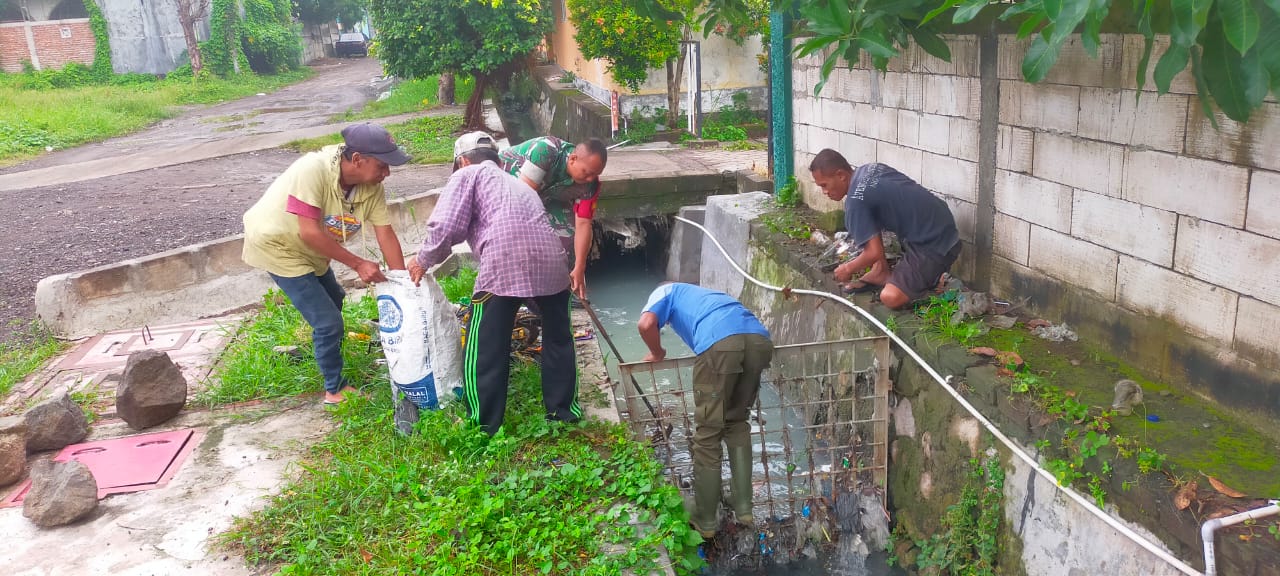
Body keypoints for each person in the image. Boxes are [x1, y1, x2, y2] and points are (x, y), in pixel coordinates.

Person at [409, 132, 582, 435]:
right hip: (553, 262)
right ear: (497, 159)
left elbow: (447, 226)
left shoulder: (467, 174)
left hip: (505, 263)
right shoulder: (517, 183)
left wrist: (422, 260)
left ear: (462, 160)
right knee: (559, 338)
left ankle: (484, 425)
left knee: (486, 345)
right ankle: (564, 412)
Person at [242, 122, 409, 405]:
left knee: (335, 298)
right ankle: (334, 389)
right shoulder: (313, 170)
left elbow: (386, 234)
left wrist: (404, 285)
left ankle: (320, 350)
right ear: (357, 159)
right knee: (329, 323)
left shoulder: (370, 187)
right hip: (279, 245)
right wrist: (358, 264)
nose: (387, 173)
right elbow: (309, 231)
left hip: (311, 250)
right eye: (382, 165)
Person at [637, 282, 774, 538]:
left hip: (721, 341)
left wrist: (657, 352)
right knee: (736, 421)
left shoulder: (665, 290)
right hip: (758, 340)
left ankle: (705, 519)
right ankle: (743, 507)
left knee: (708, 434)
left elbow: (646, 324)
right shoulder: (707, 295)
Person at [808, 148, 961, 310]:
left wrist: (848, 268)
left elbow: (874, 252)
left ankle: (933, 289)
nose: (824, 192)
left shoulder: (855, 203)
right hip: (941, 220)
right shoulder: (870, 169)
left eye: (824, 185)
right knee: (868, 228)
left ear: (841, 175)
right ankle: (880, 271)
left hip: (936, 243)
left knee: (890, 297)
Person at [498, 135, 609, 300]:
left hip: (547, 196)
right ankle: (518, 282)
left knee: (567, 233)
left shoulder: (590, 185)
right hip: (509, 188)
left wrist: (580, 266)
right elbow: (523, 201)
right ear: (572, 159)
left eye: (595, 174)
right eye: (587, 173)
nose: (590, 179)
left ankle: (563, 289)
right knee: (531, 237)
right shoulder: (546, 150)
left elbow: (583, 224)